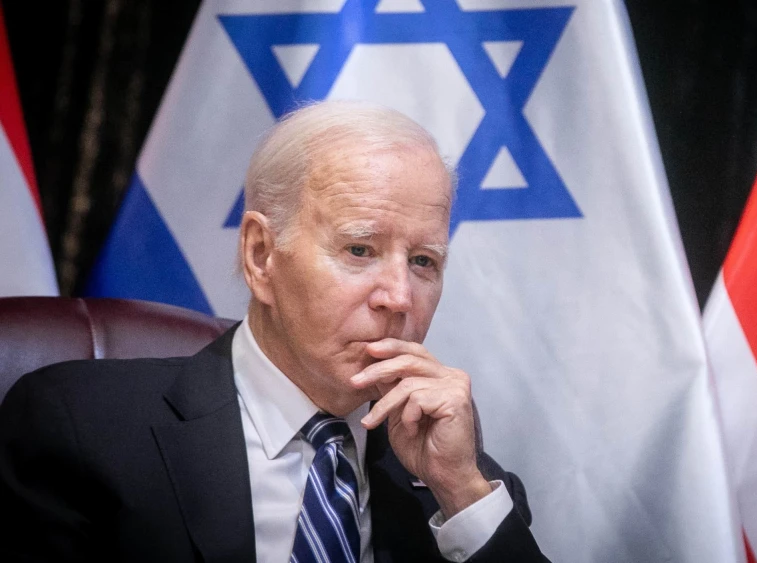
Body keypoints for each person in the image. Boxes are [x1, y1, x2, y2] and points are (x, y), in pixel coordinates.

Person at [0, 101, 548, 563]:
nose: (400, 297)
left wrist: (461, 491)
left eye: (424, 261)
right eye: (360, 249)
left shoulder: (459, 483)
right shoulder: (81, 426)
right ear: (261, 255)